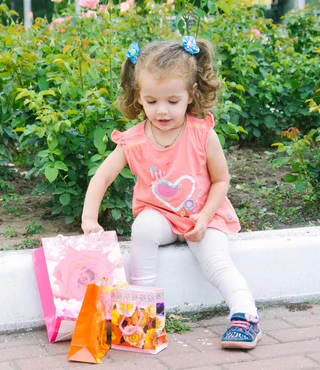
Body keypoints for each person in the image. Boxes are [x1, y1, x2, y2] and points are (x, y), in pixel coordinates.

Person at [81, 36, 262, 350]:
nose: (161, 111)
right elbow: (103, 177)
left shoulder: (201, 133)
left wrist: (205, 217)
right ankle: (142, 316)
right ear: (139, 97)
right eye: (151, 101)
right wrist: (88, 218)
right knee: (143, 228)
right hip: (161, 217)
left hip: (204, 216)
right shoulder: (134, 140)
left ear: (190, 96)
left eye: (172, 101)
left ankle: (245, 315)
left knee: (215, 262)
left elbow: (221, 180)